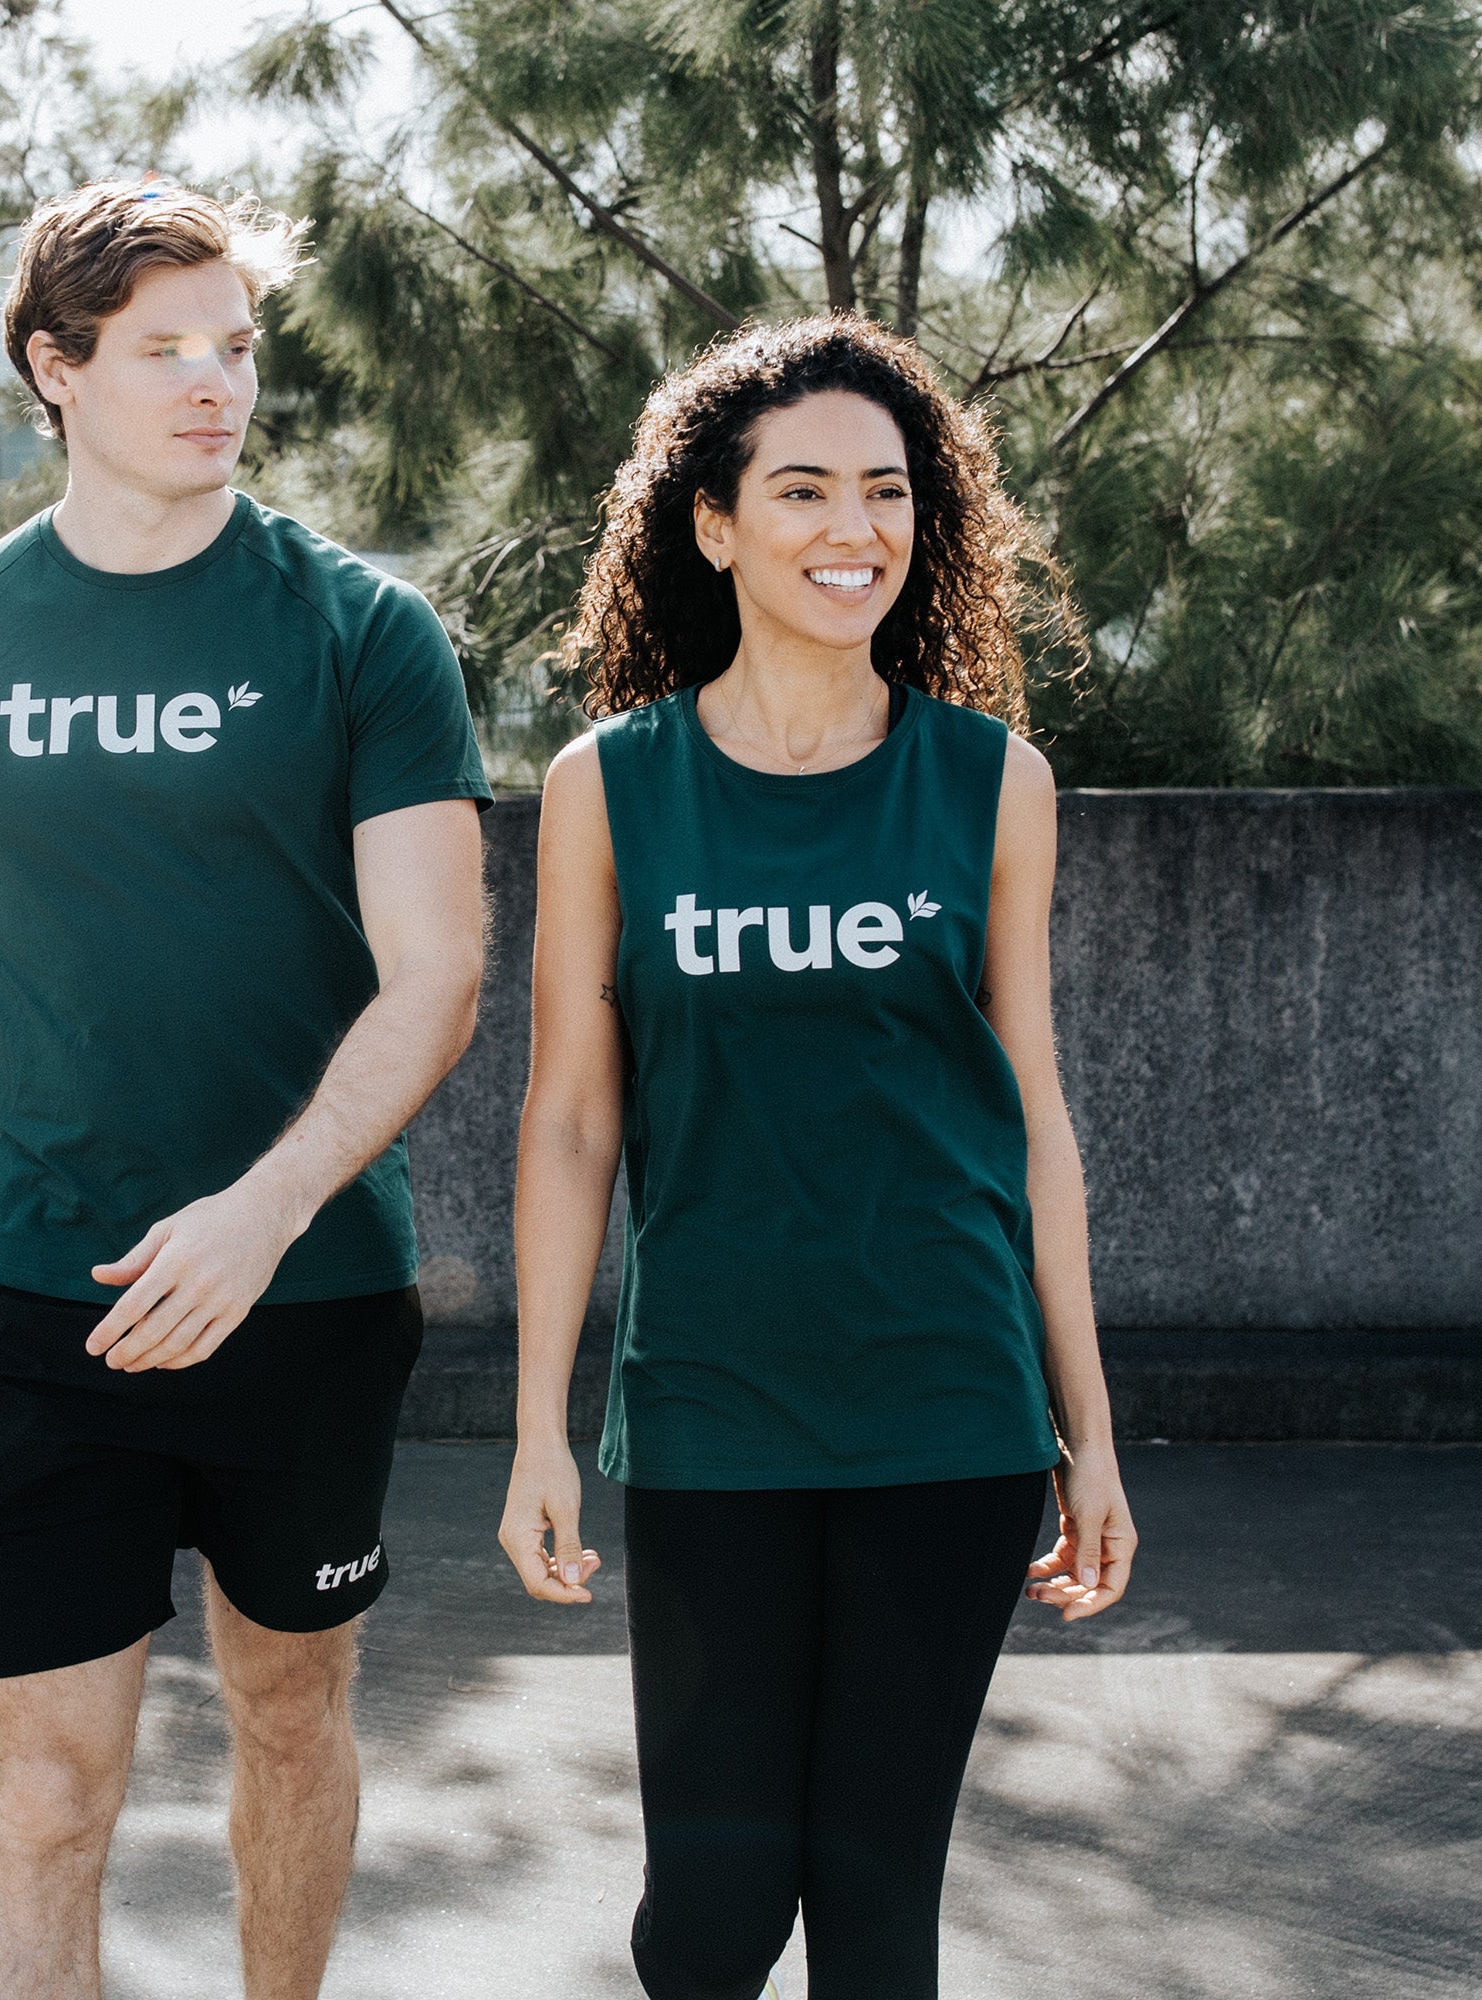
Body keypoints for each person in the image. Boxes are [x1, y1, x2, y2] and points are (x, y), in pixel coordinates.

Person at [0, 178, 491, 2000]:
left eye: (238, 346)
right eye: (163, 350)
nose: (217, 384)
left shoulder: (364, 630)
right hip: (47, 1301)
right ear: (55, 369)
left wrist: (264, 1214)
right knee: (46, 1789)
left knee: (291, 1713)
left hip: (313, 1291)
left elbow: (437, 971)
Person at [499, 314, 1138, 2000]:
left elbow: (1034, 1119)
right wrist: (537, 1424)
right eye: (801, 491)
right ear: (712, 523)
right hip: (714, 1405)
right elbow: (571, 1118)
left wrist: (1091, 1427)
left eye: (887, 492)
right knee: (710, 1919)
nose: (852, 529)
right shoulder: (608, 788)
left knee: (874, 1921)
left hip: (947, 1405)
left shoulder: (992, 779)